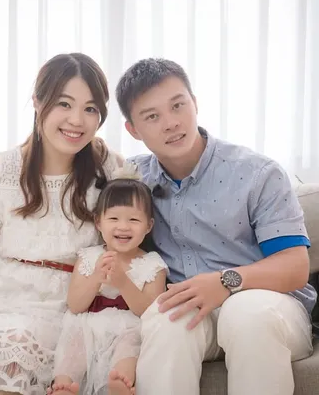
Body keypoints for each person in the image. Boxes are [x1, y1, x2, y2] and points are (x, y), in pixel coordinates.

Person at [0, 53, 123, 395]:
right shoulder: (2, 171)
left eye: (90, 108)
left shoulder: (110, 171)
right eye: (64, 103)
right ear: (38, 102)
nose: (77, 120)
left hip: (52, 307)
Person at [115, 57, 317, 395]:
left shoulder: (257, 173)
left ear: (194, 104)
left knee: (246, 313)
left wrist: (225, 281)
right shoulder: (132, 179)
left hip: (268, 306)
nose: (171, 123)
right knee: (165, 320)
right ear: (133, 130)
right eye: (152, 116)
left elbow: (295, 267)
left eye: (178, 105)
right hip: (193, 310)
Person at [49, 170, 168, 395]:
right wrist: (96, 278)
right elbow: (75, 305)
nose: (123, 227)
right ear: (98, 222)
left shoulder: (153, 264)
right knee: (74, 348)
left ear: (149, 226)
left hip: (129, 327)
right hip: (87, 325)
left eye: (133, 220)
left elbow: (148, 311)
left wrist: (123, 282)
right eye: (113, 219)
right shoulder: (88, 256)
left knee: (129, 347)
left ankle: (120, 383)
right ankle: (65, 385)